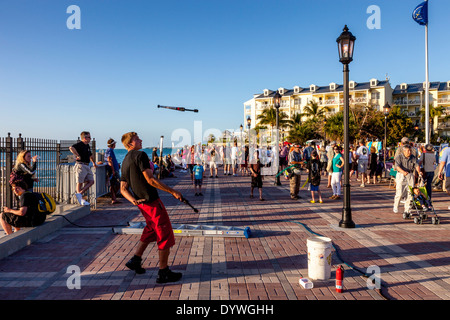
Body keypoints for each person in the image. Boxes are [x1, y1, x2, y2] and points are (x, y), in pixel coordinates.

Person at [120, 132, 183, 282]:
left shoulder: (125, 161)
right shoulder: (140, 155)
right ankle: (163, 272)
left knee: (150, 230)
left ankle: (135, 260)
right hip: (152, 202)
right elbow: (151, 180)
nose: (140, 140)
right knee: (164, 233)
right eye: (136, 139)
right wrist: (173, 191)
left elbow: (123, 188)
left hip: (142, 204)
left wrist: (134, 201)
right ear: (130, 144)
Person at [69, 131, 97, 206]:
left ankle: (79, 194)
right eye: (89, 137)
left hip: (87, 165)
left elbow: (90, 155)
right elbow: (71, 148)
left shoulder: (87, 146)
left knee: (91, 181)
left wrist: (94, 163)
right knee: (80, 182)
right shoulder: (79, 144)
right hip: (80, 165)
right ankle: (80, 199)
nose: (90, 139)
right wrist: (77, 155)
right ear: (84, 138)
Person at [393, 144, 422, 214]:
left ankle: (407, 209)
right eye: (408, 151)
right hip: (401, 174)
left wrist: (419, 171)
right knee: (400, 192)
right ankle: (396, 205)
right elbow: (397, 166)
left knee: (410, 192)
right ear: (404, 151)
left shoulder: (413, 157)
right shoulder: (399, 157)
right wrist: (403, 172)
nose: (410, 152)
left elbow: (416, 165)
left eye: (410, 150)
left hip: (410, 174)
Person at [105, 138, 121, 204]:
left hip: (114, 169)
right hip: (113, 170)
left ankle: (114, 198)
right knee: (118, 183)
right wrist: (113, 170)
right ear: (113, 144)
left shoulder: (110, 150)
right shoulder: (109, 150)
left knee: (114, 184)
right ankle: (113, 197)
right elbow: (109, 160)